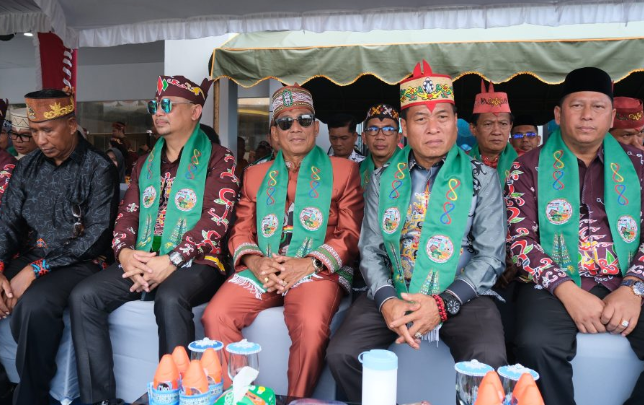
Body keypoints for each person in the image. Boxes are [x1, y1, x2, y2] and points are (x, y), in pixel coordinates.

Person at [327, 60, 507, 403]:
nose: (433, 128)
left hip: (462, 293)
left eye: (443, 117)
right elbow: (371, 249)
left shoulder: (482, 177)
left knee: (489, 358)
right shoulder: (383, 178)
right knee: (342, 354)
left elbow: (491, 255)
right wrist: (386, 301)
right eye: (421, 119)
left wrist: (443, 303)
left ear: (456, 122)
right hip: (396, 287)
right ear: (405, 128)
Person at [69, 75, 238, 405]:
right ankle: (99, 400)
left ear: (195, 111)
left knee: (171, 298)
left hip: (198, 261)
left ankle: (179, 396)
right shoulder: (145, 163)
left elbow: (215, 220)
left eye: (167, 105)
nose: (158, 112)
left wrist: (172, 260)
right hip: (144, 257)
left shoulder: (220, 158)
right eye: (154, 106)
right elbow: (128, 214)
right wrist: (125, 254)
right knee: (84, 296)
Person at [202, 84, 363, 398]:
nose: (296, 128)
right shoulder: (254, 175)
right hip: (264, 266)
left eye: (304, 120)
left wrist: (308, 264)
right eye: (285, 122)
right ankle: (241, 399)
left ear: (316, 128)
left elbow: (351, 233)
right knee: (215, 315)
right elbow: (240, 230)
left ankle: (296, 401)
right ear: (274, 134)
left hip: (317, 268)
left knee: (309, 323)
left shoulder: (344, 171)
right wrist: (256, 262)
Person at [508, 67, 644, 405]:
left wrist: (634, 287)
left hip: (626, 278)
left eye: (598, 107)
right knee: (534, 343)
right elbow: (520, 241)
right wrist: (568, 291)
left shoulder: (639, 165)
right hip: (551, 283)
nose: (587, 115)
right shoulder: (526, 166)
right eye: (577, 105)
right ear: (558, 115)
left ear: (611, 116)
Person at [0, 88, 119, 405]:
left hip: (81, 261)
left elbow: (97, 236)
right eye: (34, 131)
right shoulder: (27, 166)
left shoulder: (98, 167)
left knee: (35, 305)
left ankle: (31, 396)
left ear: (71, 124)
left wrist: (36, 270)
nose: (40, 140)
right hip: (33, 254)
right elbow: (8, 222)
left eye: (48, 130)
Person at [469, 80, 517, 186]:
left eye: (503, 124)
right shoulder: (462, 162)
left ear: (510, 126)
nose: (496, 131)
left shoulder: (526, 162)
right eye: (488, 124)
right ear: (473, 128)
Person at [359, 104, 402, 188]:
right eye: (373, 129)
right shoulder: (355, 172)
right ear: (364, 137)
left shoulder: (412, 169)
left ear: (398, 137)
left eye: (388, 130)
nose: (380, 137)